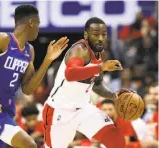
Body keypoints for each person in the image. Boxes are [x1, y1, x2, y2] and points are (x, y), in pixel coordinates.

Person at [0, 4, 68, 148]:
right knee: (29, 145)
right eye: (38, 24)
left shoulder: (29, 51)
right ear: (31, 23)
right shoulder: (2, 40)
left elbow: (27, 89)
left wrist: (47, 61)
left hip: (7, 110)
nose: (38, 29)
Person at [42, 17, 134, 148]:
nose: (101, 38)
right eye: (96, 34)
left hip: (84, 108)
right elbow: (70, 74)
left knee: (115, 138)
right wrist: (101, 67)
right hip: (59, 111)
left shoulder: (98, 54)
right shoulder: (80, 50)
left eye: (104, 34)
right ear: (86, 35)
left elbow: (97, 84)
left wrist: (114, 95)